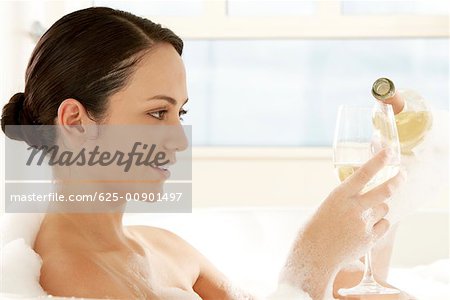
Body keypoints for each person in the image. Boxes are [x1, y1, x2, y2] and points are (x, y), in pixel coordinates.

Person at [1, 7, 408, 300]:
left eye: (181, 112)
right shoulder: (70, 281)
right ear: (75, 122)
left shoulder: (162, 248)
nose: (180, 140)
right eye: (157, 112)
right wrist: (311, 260)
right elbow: (303, 286)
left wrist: (385, 185)